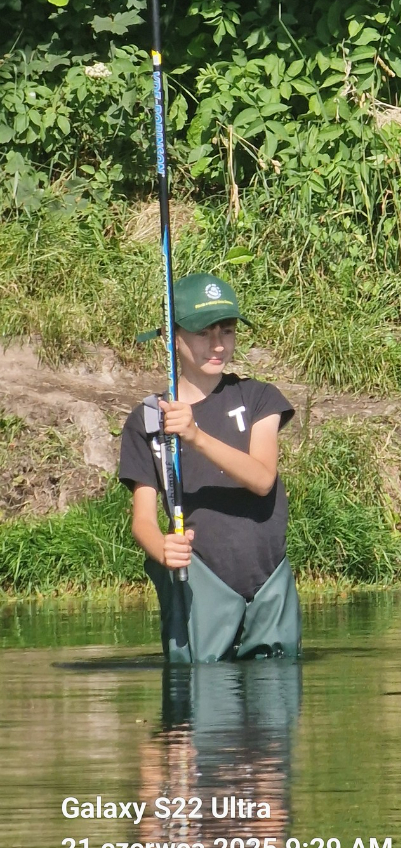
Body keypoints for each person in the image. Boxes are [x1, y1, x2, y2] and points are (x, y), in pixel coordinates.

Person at [119, 272, 301, 661]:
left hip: (269, 583)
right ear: (173, 338)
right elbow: (143, 520)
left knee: (277, 695)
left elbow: (263, 478)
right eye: (204, 333)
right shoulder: (147, 420)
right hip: (199, 583)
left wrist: (196, 436)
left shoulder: (259, 398)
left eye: (228, 331)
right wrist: (162, 549)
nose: (218, 345)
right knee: (201, 698)